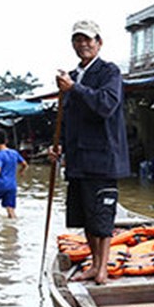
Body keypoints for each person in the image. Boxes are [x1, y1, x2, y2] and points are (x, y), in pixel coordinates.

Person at [50, 19, 129, 284]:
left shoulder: (109, 72)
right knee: (85, 215)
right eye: (78, 40)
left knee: (102, 215)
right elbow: (70, 118)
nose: (82, 44)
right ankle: (95, 265)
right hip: (78, 159)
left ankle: (102, 267)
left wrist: (75, 88)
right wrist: (59, 146)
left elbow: (106, 104)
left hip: (102, 157)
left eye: (88, 39)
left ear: (99, 43)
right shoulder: (74, 76)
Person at [0, 130, 27, 218]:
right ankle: (13, 227)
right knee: (10, 209)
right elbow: (25, 164)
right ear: (6, 141)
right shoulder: (14, 153)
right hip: (12, 186)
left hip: (0, 184)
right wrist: (21, 171)